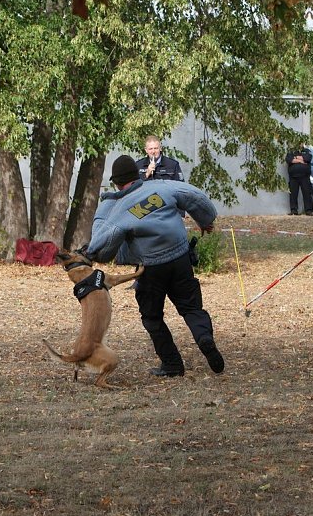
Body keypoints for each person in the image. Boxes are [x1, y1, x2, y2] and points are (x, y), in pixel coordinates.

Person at [84, 155, 223, 378]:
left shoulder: (119, 209)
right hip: (180, 257)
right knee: (191, 308)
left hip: (150, 268)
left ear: (117, 183)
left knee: (152, 317)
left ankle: (172, 365)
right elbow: (194, 196)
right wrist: (205, 219)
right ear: (136, 175)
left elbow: (106, 240)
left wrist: (91, 254)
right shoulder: (161, 187)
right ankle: (204, 338)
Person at [286, 148, 313, 216]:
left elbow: (308, 158)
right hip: (293, 176)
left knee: (307, 193)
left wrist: (295, 158)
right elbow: (289, 160)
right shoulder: (291, 150)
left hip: (305, 176)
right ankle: (294, 210)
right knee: (293, 194)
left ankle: (308, 210)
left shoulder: (306, 151)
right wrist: (301, 160)